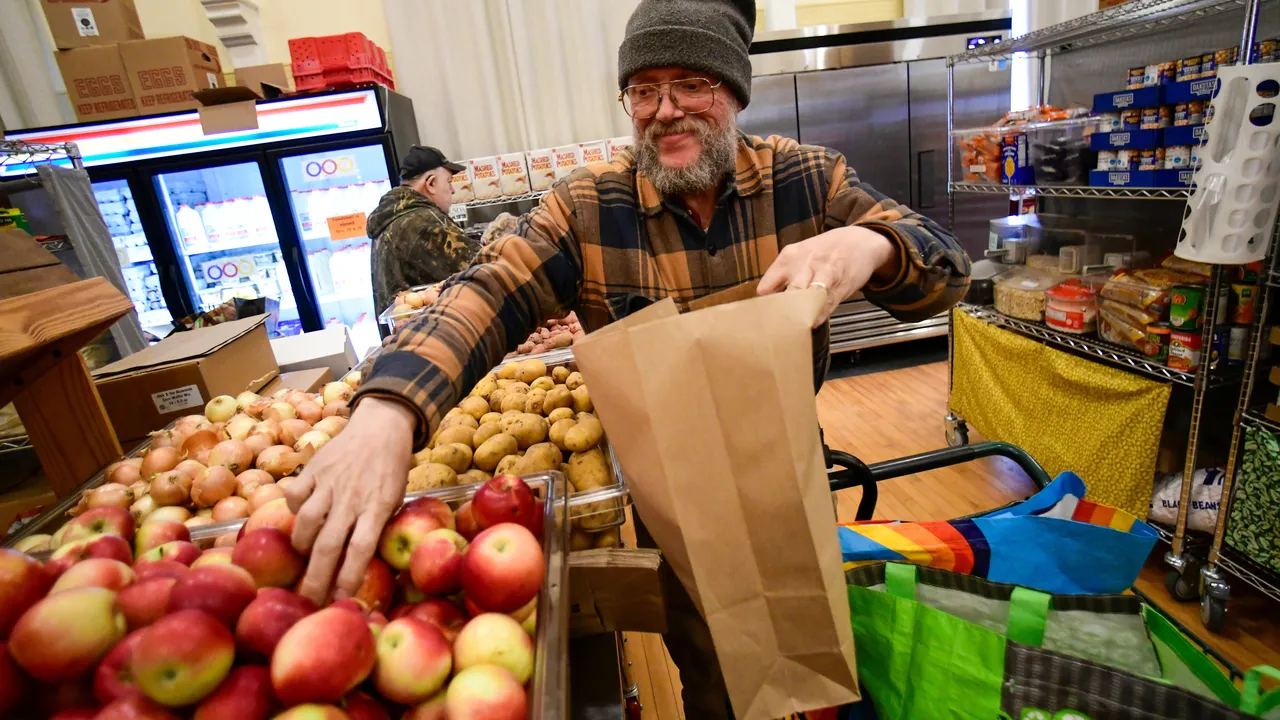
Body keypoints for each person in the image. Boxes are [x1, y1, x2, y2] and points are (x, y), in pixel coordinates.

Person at [288, 0, 970, 716]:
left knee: (816, 645)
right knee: (716, 670)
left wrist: (877, 244)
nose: (665, 110)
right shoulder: (588, 206)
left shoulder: (805, 178)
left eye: (690, 85)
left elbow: (945, 271)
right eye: (644, 90)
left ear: (733, 91)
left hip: (788, 460)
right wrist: (389, 408)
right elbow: (490, 291)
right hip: (668, 487)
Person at [367, 145, 480, 314]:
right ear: (431, 183)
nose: (452, 189)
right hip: (436, 332)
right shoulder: (424, 222)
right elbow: (483, 267)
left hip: (405, 334)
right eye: (449, 182)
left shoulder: (390, 219)